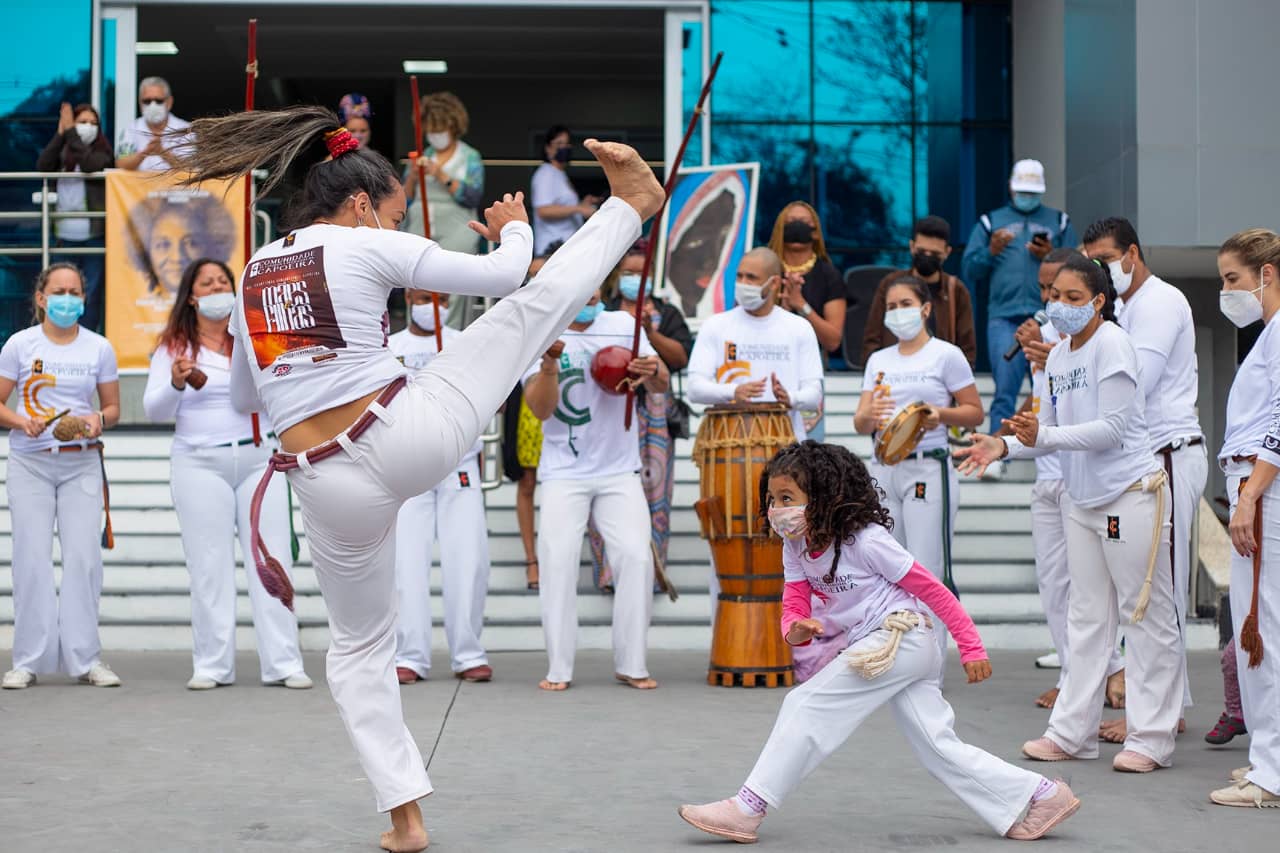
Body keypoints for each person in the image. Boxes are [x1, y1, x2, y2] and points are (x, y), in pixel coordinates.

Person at [174, 103, 664, 851]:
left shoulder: (249, 276)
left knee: (357, 649)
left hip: (322, 477)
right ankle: (632, 207)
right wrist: (515, 227)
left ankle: (405, 818)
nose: (393, 222)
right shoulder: (367, 244)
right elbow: (506, 276)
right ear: (365, 202)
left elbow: (246, 399)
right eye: (395, 212)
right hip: (406, 436)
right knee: (523, 315)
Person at [677, 441, 1079, 845]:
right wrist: (793, 629)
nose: (777, 509)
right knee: (937, 747)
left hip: (899, 638)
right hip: (885, 645)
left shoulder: (867, 540)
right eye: (772, 499)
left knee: (806, 703)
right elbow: (795, 601)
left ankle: (748, 807)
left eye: (787, 498)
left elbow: (935, 591)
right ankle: (1044, 795)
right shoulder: (795, 545)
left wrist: (971, 646)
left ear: (823, 498)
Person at [956, 253, 1183, 774]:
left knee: (1143, 616)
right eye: (1055, 296)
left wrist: (1043, 436)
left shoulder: (1114, 346)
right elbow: (1048, 436)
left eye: (1074, 298)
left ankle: (1151, 738)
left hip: (1129, 492)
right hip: (1080, 500)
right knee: (1085, 620)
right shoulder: (1057, 359)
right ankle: (1071, 733)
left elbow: (1114, 430)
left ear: (1100, 302)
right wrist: (1003, 446)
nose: (1060, 305)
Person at [142, 258, 311, 691]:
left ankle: (283, 662)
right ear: (193, 296)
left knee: (272, 558)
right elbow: (153, 410)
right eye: (208, 283)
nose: (218, 287)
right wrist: (177, 383)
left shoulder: (257, 338)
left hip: (259, 459)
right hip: (199, 461)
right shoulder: (174, 347)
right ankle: (212, 664)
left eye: (224, 281)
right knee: (209, 565)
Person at [1081, 217, 1205, 741]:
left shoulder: (1157, 302)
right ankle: (1162, 705)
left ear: (1131, 252)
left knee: (1160, 588)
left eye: (1105, 260)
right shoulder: (1127, 307)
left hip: (1165, 454)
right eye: (1091, 262)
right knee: (1144, 589)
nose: (1100, 271)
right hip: (1140, 460)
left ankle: (1162, 713)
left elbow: (1137, 386)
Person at [523, 287, 668, 690]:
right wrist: (550, 365)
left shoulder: (623, 325)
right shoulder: (539, 329)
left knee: (637, 558)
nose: (591, 294)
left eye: (597, 286)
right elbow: (539, 408)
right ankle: (559, 668)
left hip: (619, 469)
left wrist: (651, 371)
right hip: (562, 472)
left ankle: (632, 663)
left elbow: (661, 384)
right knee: (557, 561)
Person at [1010, 248, 1124, 709]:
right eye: (1045, 290)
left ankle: (1113, 675)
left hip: (1094, 480)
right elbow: (1043, 413)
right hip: (1049, 475)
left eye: (1060, 290)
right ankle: (1074, 671)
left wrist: (1050, 355)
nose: (1050, 299)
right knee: (1055, 584)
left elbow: (1109, 419)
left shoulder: (1105, 339)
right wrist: (1005, 441)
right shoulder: (1050, 349)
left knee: (1099, 592)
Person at [0, 263, 122, 690]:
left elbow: (112, 408)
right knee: (31, 560)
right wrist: (19, 421)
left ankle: (86, 658)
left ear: (83, 300)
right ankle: (28, 659)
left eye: (74, 292)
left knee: (83, 561)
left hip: (81, 464)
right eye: (59, 291)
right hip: (31, 462)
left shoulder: (99, 348)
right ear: (41, 298)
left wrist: (96, 420)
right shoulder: (19, 345)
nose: (67, 299)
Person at [853, 276, 983, 672]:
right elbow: (860, 422)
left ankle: (930, 665)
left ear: (925, 308)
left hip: (928, 464)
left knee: (925, 566)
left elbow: (974, 411)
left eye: (905, 303)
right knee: (887, 566)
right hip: (884, 468)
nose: (897, 313)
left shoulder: (946, 355)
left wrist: (939, 415)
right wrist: (868, 415)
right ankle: (896, 655)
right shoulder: (879, 361)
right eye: (890, 306)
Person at [1207, 227, 1280, 807]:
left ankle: (1272, 773)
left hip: (1264, 489)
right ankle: (1267, 760)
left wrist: (1251, 496)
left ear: (1267, 274)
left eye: (1233, 279)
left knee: (1263, 629)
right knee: (1261, 627)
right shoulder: (1268, 334)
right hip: (1256, 484)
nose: (1226, 291)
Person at [389, 288, 493, 684]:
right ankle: (410, 654)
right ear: (409, 298)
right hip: (408, 467)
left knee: (468, 561)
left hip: (459, 464)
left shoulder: (465, 344)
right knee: (406, 565)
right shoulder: (389, 346)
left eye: (442, 299)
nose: (433, 305)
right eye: (422, 296)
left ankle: (468, 652)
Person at [961, 159, 1078, 477]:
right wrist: (990, 250)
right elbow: (969, 269)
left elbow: (1080, 266)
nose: (1027, 196)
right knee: (1006, 384)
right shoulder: (990, 221)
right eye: (1023, 190)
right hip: (1005, 317)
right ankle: (998, 452)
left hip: (1052, 315)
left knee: (1055, 383)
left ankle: (1055, 449)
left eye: (1033, 191)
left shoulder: (1059, 220)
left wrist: (1051, 256)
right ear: (1012, 188)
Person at [590, 241, 693, 593]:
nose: (635, 279)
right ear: (618, 275)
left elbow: (680, 357)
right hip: (609, 410)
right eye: (629, 273)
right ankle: (609, 573)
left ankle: (651, 571)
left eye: (641, 273)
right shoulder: (601, 314)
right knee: (606, 490)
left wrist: (650, 334)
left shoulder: (667, 313)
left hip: (654, 415)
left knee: (655, 491)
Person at [687, 247, 824, 441]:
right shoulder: (715, 325)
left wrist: (790, 398)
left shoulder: (799, 328)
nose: (743, 284)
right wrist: (734, 391)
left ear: (774, 283)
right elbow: (694, 389)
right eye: (739, 276)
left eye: (751, 278)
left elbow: (814, 395)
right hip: (728, 444)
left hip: (787, 444)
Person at [37, 102, 113, 333]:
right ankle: (58, 335)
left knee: (91, 293)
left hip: (94, 236)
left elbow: (90, 165)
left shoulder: (103, 153)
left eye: (92, 123)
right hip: (65, 238)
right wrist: (61, 134)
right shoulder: (63, 153)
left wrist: (72, 133)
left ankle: (88, 337)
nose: (87, 127)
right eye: (81, 122)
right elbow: (43, 166)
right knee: (60, 290)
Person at [862, 215, 977, 366]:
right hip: (894, 375)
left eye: (935, 254)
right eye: (922, 251)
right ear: (912, 247)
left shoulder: (956, 291)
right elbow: (872, 337)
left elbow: (967, 348)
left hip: (939, 379)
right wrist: (875, 375)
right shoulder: (891, 284)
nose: (927, 257)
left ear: (947, 252)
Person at [767, 202, 847, 359]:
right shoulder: (765, 270)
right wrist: (781, 312)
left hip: (809, 361)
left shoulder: (829, 275)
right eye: (790, 222)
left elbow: (833, 341)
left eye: (804, 222)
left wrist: (801, 306)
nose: (797, 226)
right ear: (780, 229)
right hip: (766, 356)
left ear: (816, 232)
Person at [531, 125, 600, 255]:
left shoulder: (560, 174)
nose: (564, 147)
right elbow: (543, 210)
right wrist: (578, 209)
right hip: (552, 248)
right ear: (548, 148)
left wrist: (582, 204)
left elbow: (565, 206)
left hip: (566, 247)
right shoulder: (545, 174)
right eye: (559, 143)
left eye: (567, 143)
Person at [116, 76, 193, 171]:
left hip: (175, 186)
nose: (153, 105)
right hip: (139, 185)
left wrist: (162, 152)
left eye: (159, 101)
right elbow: (121, 163)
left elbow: (190, 166)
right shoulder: (130, 130)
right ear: (140, 103)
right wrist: (145, 152)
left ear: (169, 102)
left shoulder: (185, 129)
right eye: (147, 101)